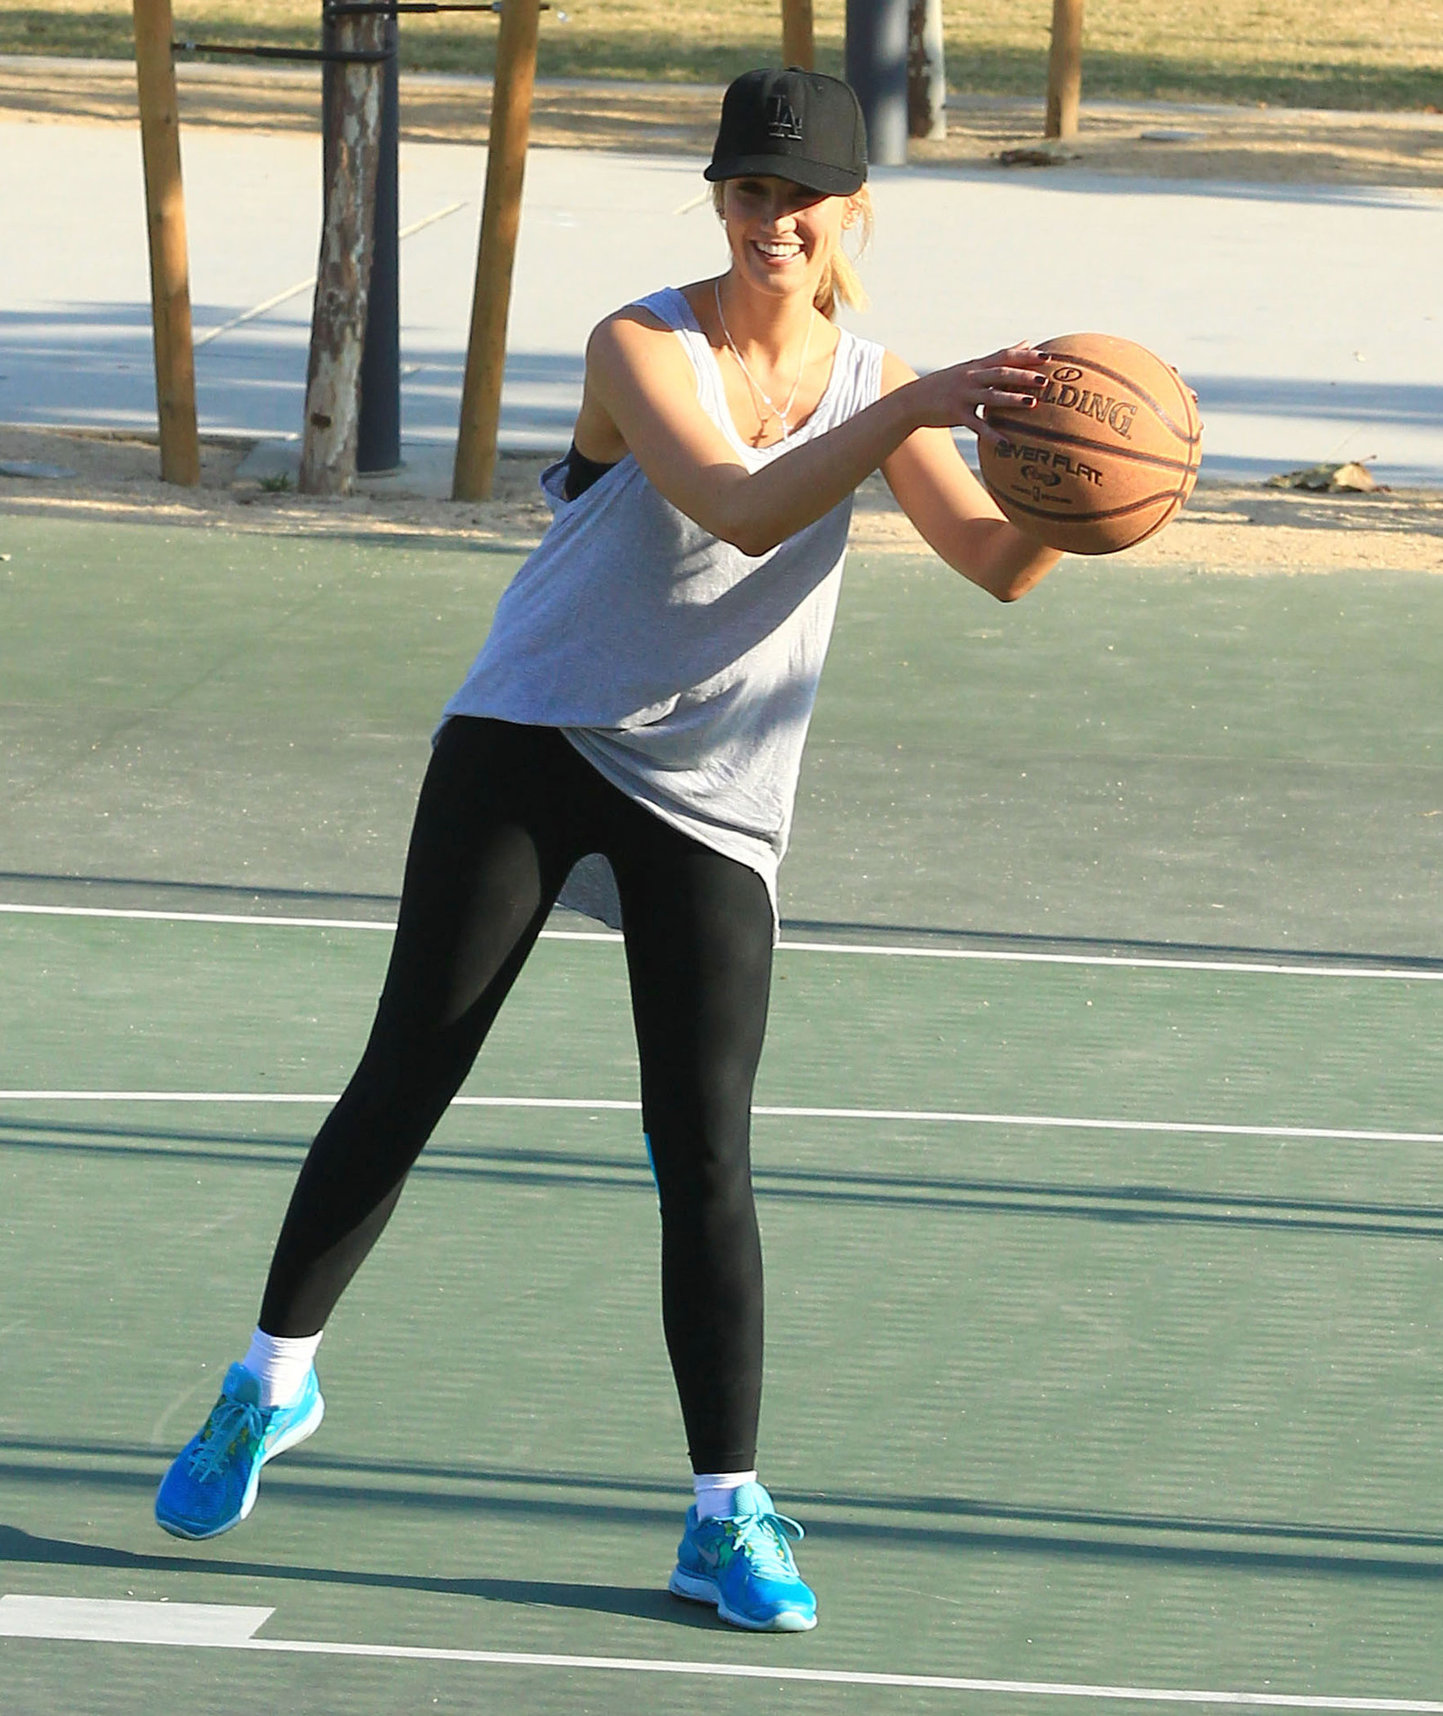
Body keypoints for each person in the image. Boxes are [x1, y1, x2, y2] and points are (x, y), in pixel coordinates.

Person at [153, 66, 1061, 1634]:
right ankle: (269, 1380)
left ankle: (723, 1516)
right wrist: (910, 412)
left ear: (852, 215)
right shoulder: (638, 343)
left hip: (712, 790)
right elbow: (735, 504)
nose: (771, 219)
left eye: (800, 197)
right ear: (719, 199)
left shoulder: (876, 378)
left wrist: (1092, 501)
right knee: (409, 1068)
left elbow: (995, 561)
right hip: (536, 734)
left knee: (704, 1150)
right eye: (748, 190)